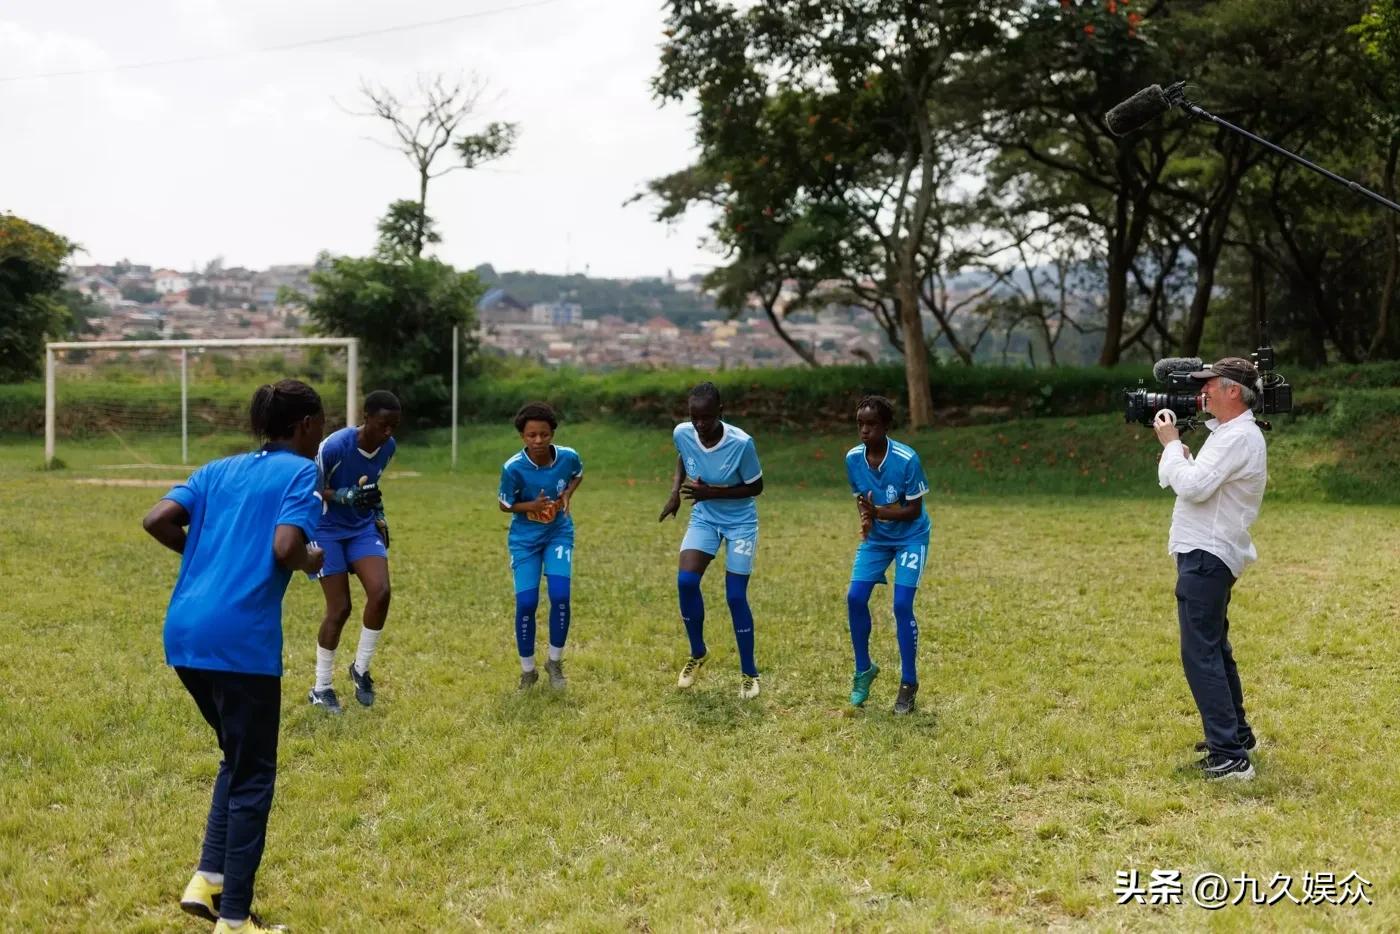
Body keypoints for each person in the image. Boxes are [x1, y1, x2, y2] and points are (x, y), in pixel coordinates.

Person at [142, 380, 326, 933]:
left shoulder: (216, 469)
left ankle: (208, 880)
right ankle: (236, 919)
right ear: (306, 425)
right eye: (320, 424)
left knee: (236, 757)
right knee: (253, 777)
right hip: (240, 643)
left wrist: (205, 556)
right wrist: (313, 559)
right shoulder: (301, 473)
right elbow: (286, 548)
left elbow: (156, 519)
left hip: (186, 634)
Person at [1155, 356, 1268, 782]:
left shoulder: (1237, 437)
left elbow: (1192, 486)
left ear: (1233, 391)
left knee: (1200, 653)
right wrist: (1178, 455)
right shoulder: (1232, 434)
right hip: (1210, 554)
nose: (1201, 390)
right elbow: (1191, 479)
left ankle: (1230, 758)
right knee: (1214, 648)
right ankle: (1237, 737)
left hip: (1208, 555)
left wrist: (1171, 445)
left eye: (1209, 383)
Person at [659, 381, 764, 698]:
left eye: (706, 417)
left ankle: (749, 674)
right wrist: (675, 493)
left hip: (740, 522)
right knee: (686, 581)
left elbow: (756, 487)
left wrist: (712, 492)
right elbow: (684, 456)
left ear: (721, 411)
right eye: (694, 418)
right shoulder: (683, 433)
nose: (700, 425)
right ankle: (698, 652)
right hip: (705, 517)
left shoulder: (741, 443)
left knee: (735, 597)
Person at [307, 390, 401, 713]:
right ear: (366, 417)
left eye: (393, 426)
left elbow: (372, 486)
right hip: (325, 528)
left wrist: (379, 515)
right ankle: (321, 687)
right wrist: (342, 496)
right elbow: (311, 487)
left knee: (381, 592)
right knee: (340, 609)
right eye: (382, 424)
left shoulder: (388, 447)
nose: (388, 432)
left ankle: (360, 669)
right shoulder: (334, 446)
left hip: (361, 527)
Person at [843, 395, 930, 715]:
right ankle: (863, 670)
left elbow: (913, 510)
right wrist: (866, 520)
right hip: (878, 539)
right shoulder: (853, 458)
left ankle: (908, 683)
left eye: (872, 424)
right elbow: (862, 499)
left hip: (911, 537)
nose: (864, 430)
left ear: (886, 426)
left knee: (902, 605)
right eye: (860, 424)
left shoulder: (907, 459)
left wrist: (877, 512)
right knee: (855, 598)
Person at [498, 402, 583, 690]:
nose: (538, 440)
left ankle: (554, 663)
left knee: (560, 596)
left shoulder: (568, 457)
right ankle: (528, 671)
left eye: (544, 434)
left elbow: (578, 474)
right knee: (526, 603)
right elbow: (504, 504)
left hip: (558, 533)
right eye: (531, 435)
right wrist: (531, 506)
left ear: (552, 434)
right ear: (522, 436)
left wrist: (567, 494)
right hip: (525, 541)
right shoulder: (513, 468)